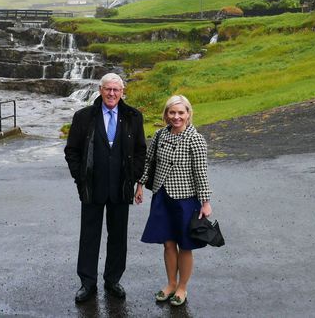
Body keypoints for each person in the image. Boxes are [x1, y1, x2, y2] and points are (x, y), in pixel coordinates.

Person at [64, 73, 147, 303]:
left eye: (116, 90)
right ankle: (87, 283)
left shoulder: (133, 117)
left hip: (121, 187)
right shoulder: (83, 117)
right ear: (100, 90)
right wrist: (80, 179)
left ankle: (112, 280)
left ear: (122, 92)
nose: (112, 94)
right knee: (89, 236)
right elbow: (71, 151)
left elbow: (141, 150)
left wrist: (134, 177)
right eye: (108, 89)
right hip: (92, 187)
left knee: (118, 236)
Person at [135, 94, 212, 307]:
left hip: (186, 199)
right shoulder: (160, 135)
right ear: (166, 114)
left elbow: (201, 173)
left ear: (188, 114)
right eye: (172, 112)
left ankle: (182, 287)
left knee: (184, 245)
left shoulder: (195, 139)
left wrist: (205, 202)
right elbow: (149, 162)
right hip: (161, 196)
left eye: (181, 112)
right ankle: (170, 283)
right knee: (168, 244)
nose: (176, 117)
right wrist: (140, 185)